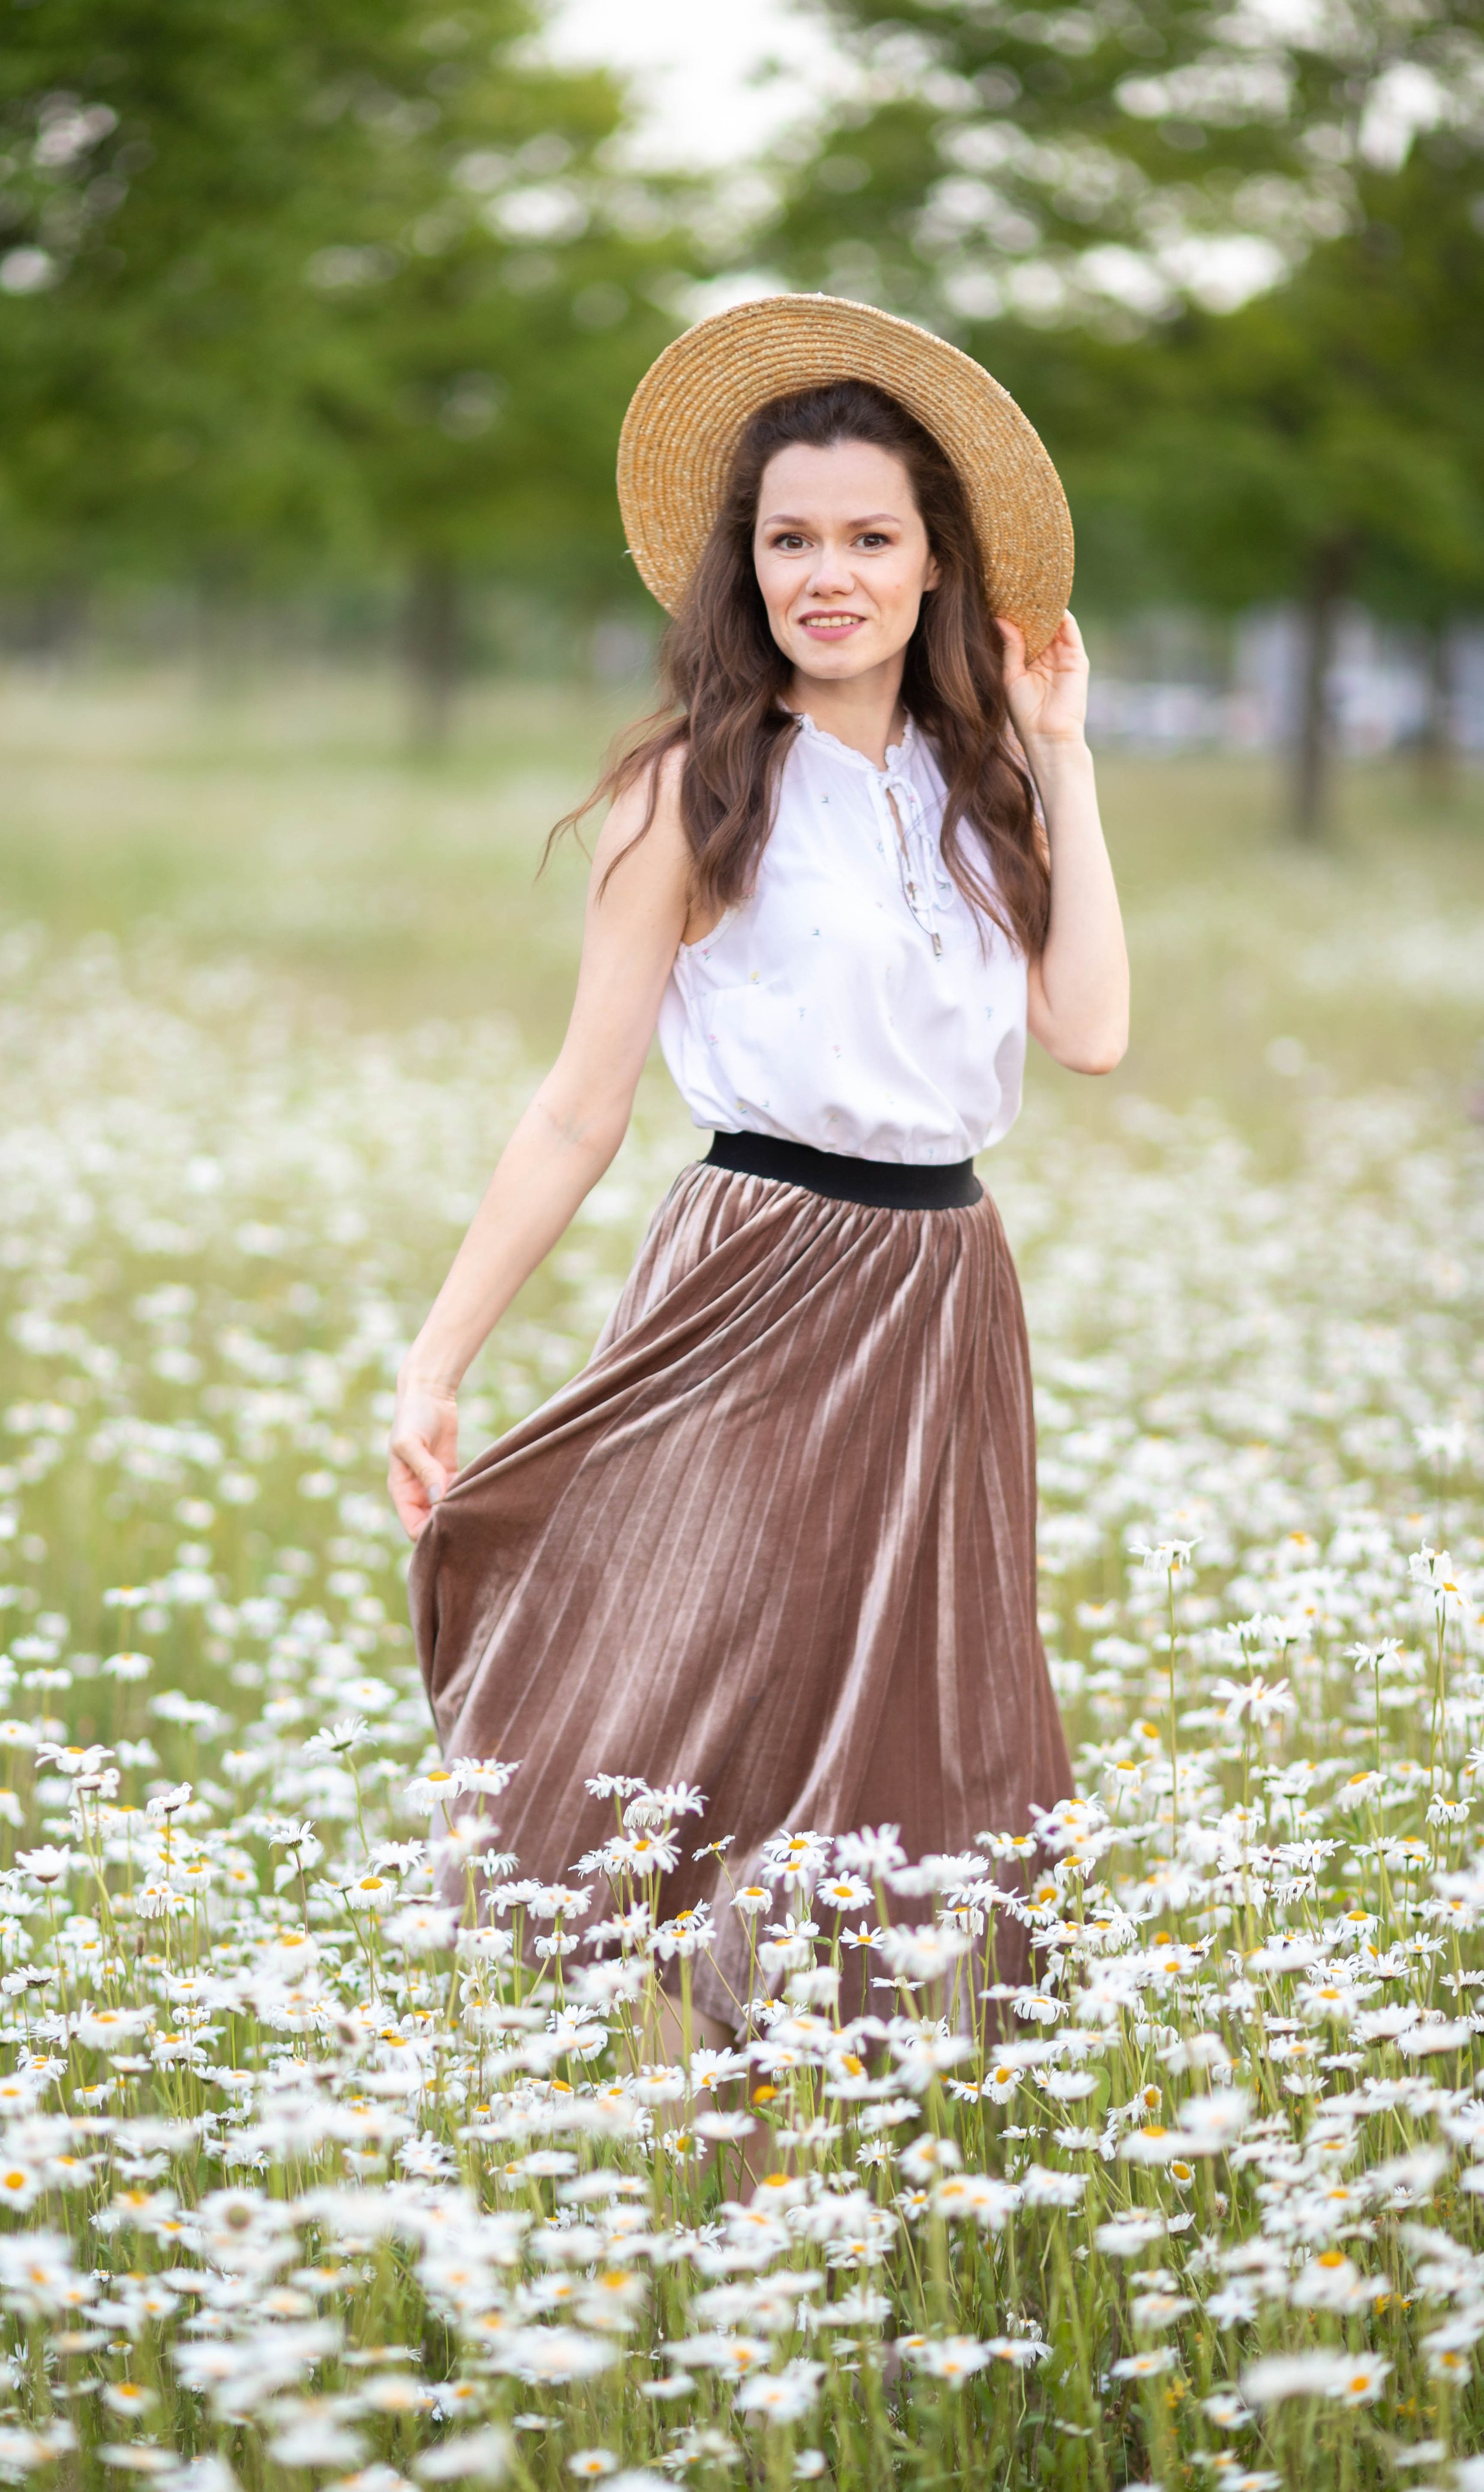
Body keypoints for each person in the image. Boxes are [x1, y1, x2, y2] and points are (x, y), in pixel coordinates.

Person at [389, 295, 1128, 2044]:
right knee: (705, 1673)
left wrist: (1065, 754)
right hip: (753, 1265)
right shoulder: (696, 792)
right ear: (747, 566)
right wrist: (437, 1362)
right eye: (793, 539)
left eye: (871, 538)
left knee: (916, 1724)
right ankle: (669, 2089)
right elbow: (580, 1107)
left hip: (946, 1290)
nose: (831, 574)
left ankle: (829, 2123)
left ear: (936, 562)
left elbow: (1089, 1028)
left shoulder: (985, 788)